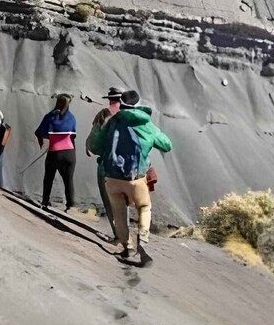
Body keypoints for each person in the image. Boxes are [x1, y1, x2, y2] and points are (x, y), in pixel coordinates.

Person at [90, 90, 172, 257]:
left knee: (119, 212)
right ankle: (142, 240)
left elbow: (94, 147)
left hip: (112, 177)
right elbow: (166, 145)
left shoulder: (111, 122)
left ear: (121, 102)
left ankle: (127, 247)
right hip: (136, 178)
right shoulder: (145, 123)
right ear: (137, 103)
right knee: (144, 207)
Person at [86, 87, 124, 234]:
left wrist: (89, 146)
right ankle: (128, 235)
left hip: (107, 165)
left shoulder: (104, 114)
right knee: (123, 202)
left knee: (109, 200)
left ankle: (118, 234)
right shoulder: (131, 116)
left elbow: (94, 141)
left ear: (110, 99)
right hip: (128, 166)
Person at [35, 94, 78, 210]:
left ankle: (45, 201)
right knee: (68, 180)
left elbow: (39, 133)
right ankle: (70, 205)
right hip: (70, 153)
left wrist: (42, 144)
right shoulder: (72, 118)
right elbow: (73, 136)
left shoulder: (50, 117)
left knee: (48, 177)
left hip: (55, 152)